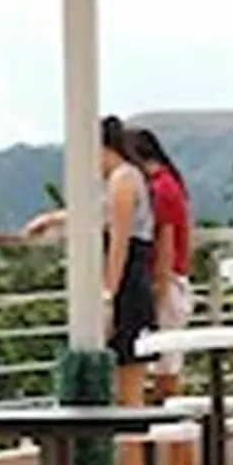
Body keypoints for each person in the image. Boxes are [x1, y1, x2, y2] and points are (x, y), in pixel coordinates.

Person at [127, 126, 194, 396]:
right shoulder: (170, 185)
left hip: (165, 279)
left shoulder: (160, 190)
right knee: (167, 364)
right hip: (174, 278)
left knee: (164, 366)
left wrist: (160, 288)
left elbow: (166, 243)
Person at [98, 115, 156, 406]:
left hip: (128, 283)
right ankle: (132, 450)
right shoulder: (126, 177)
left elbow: (120, 239)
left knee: (128, 391)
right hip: (133, 277)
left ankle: (132, 451)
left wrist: (108, 294)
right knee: (128, 384)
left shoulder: (122, 179)